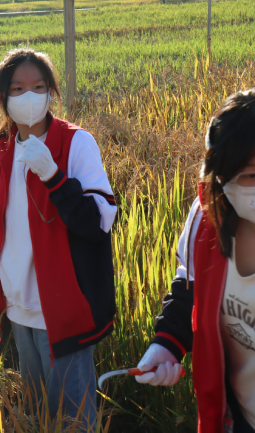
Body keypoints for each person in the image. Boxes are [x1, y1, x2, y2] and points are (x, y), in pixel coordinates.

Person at [0, 48, 117, 430]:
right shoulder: (1, 149)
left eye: (38, 86)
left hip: (62, 306)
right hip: (17, 301)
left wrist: (55, 177)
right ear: (4, 97)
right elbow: (12, 215)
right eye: (18, 88)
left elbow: (97, 224)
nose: (29, 96)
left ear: (50, 92)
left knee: (71, 418)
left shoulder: (77, 144)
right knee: (35, 414)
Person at [135, 89, 255, 433]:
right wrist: (166, 345)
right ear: (222, 177)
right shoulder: (208, 221)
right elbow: (190, 286)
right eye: (251, 175)